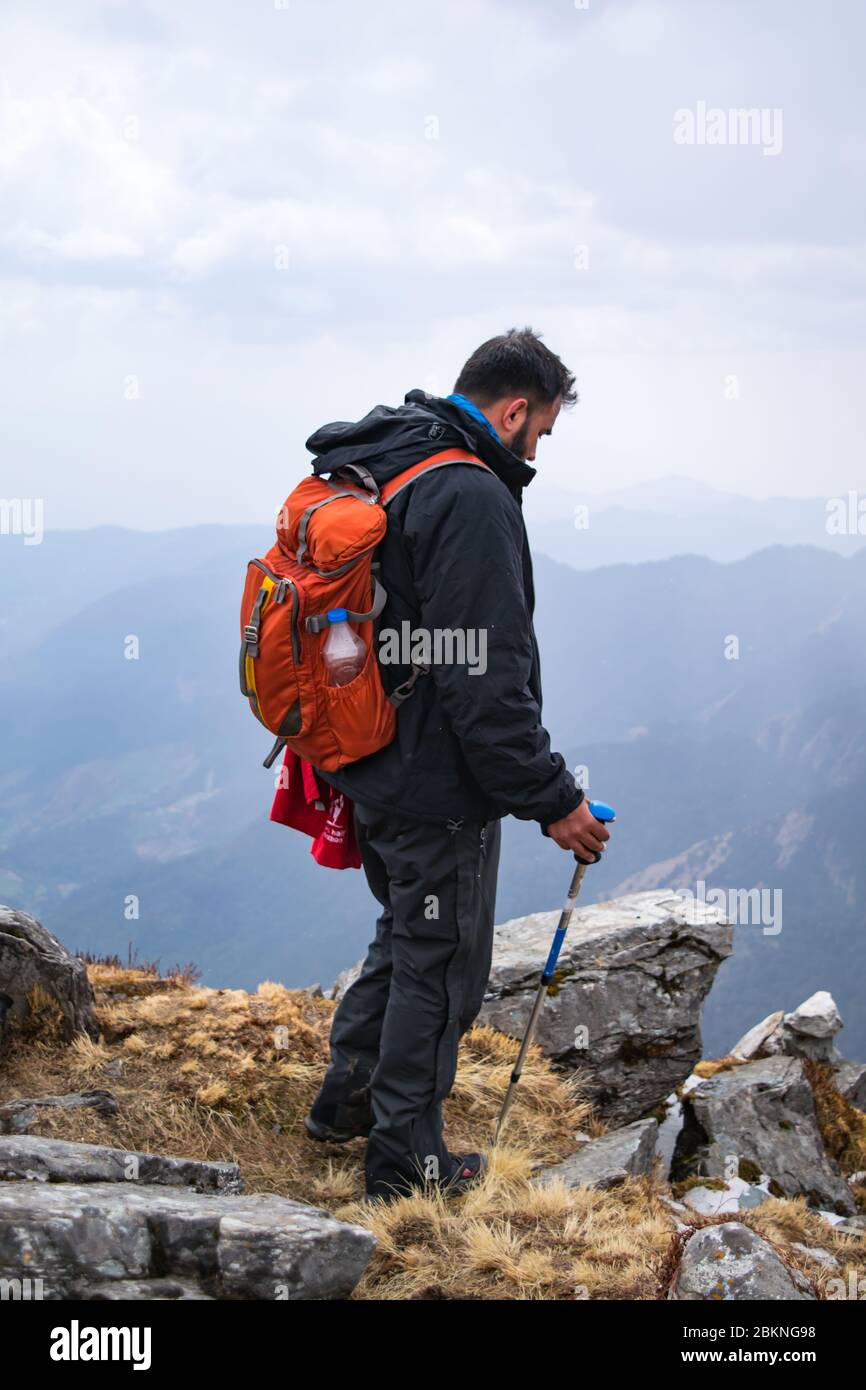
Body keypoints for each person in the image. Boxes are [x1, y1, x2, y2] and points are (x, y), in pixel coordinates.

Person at [303, 327, 612, 1203]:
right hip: (434, 783)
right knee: (440, 965)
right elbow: (486, 683)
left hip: (367, 756)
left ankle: (345, 1109)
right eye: (542, 432)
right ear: (514, 410)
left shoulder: (393, 460)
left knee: (406, 938)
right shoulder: (470, 496)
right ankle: (406, 1163)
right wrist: (555, 800)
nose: (539, 450)